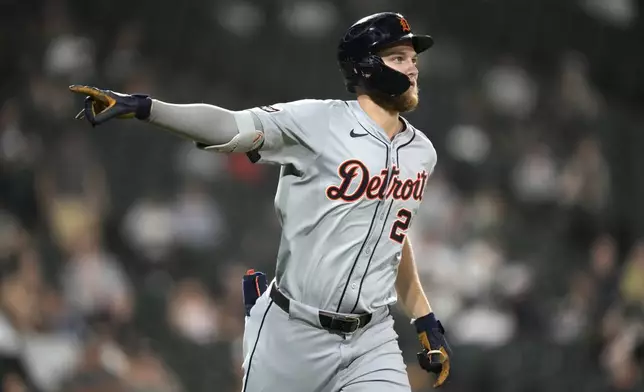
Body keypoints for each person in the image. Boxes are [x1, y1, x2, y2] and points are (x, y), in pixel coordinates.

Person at [70, 11, 452, 392]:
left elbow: (392, 236)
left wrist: (424, 317)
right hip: (293, 333)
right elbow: (229, 126)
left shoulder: (422, 152)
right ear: (367, 66)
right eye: (399, 58)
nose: (413, 68)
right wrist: (147, 108)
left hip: (372, 338)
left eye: (413, 59)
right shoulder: (317, 121)